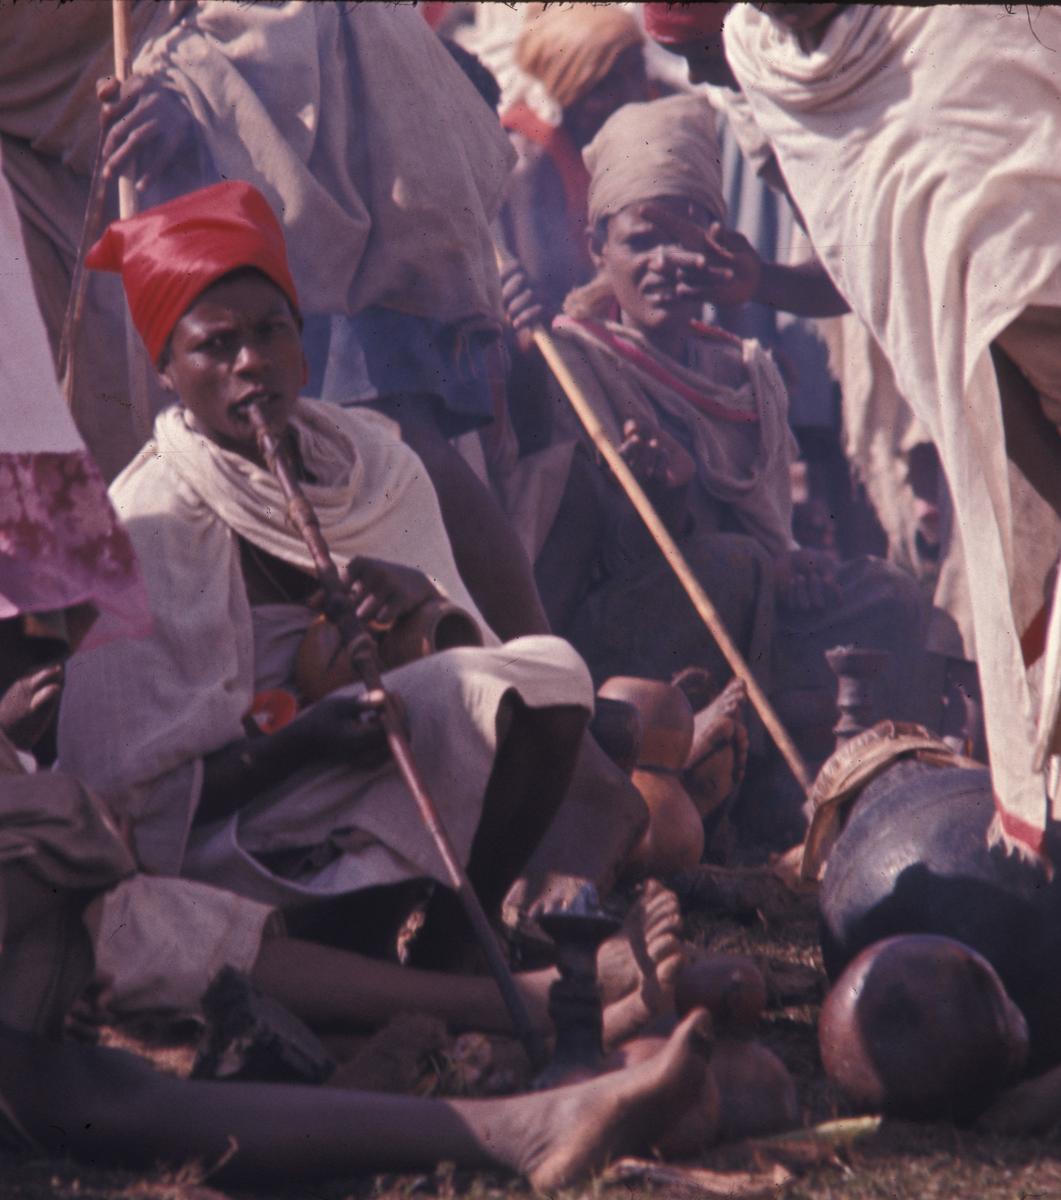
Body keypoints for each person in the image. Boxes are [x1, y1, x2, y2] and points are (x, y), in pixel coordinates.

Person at [56, 182, 657, 974]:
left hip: (380, 767)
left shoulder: (371, 463)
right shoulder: (145, 522)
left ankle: (455, 937)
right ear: (165, 368)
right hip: (236, 835)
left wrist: (424, 604)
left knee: (550, 673)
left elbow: (469, 655)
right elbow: (135, 800)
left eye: (271, 332)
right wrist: (302, 741)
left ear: (303, 348)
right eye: (216, 345)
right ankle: (352, 945)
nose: (251, 363)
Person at [704, 4, 1061, 860]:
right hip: (976, 365)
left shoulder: (960, 22)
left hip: (1034, 293)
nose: (690, 74)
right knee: (1023, 570)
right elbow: (857, 241)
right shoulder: (758, 58)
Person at [506, 96, 925, 771]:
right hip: (626, 641)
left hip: (752, 602)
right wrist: (671, 503)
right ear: (597, 249)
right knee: (734, 564)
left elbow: (772, 542)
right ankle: (745, 784)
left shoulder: (746, 371)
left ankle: (881, 779)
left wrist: (797, 567)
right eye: (640, 241)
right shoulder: (571, 363)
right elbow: (586, 556)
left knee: (889, 594)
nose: (666, 261)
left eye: (688, 237)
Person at [499, 5, 650, 324]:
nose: (632, 96)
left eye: (637, 72)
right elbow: (555, 298)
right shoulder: (531, 162)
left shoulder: (619, 138)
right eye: (606, 86)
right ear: (569, 91)